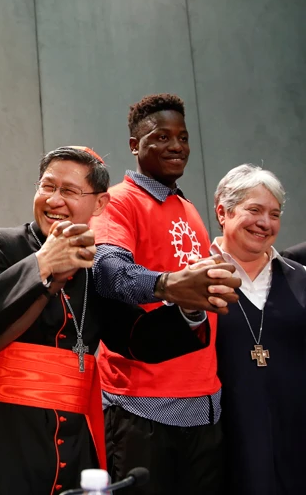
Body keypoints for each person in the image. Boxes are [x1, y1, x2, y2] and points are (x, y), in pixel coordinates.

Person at [0, 146, 220, 495]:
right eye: (47, 187)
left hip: (75, 439)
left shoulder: (92, 268)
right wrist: (41, 264)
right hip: (4, 434)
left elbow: (139, 339)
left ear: (100, 204)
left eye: (70, 191)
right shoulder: (3, 245)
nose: (54, 200)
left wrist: (188, 307)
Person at [90, 93, 242, 494]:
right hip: (141, 407)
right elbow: (108, 273)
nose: (176, 146)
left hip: (205, 404)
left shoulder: (188, 207)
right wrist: (170, 284)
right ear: (134, 145)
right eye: (161, 137)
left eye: (183, 137)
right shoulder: (119, 202)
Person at [205, 165, 306, 494]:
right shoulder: (194, 279)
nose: (265, 223)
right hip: (225, 446)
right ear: (223, 211)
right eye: (255, 210)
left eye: (274, 214)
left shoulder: (300, 278)